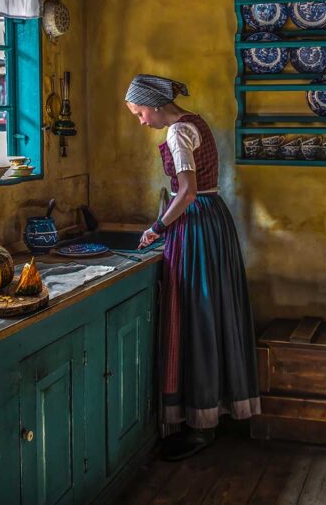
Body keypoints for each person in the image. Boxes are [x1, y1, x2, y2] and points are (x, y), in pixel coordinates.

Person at [124, 74, 260, 460]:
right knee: (213, 311)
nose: (141, 121)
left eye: (139, 113)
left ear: (153, 106)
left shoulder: (178, 132)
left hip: (196, 224)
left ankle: (200, 425)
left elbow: (186, 192)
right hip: (214, 219)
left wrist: (157, 227)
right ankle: (210, 415)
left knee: (197, 314)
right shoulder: (195, 122)